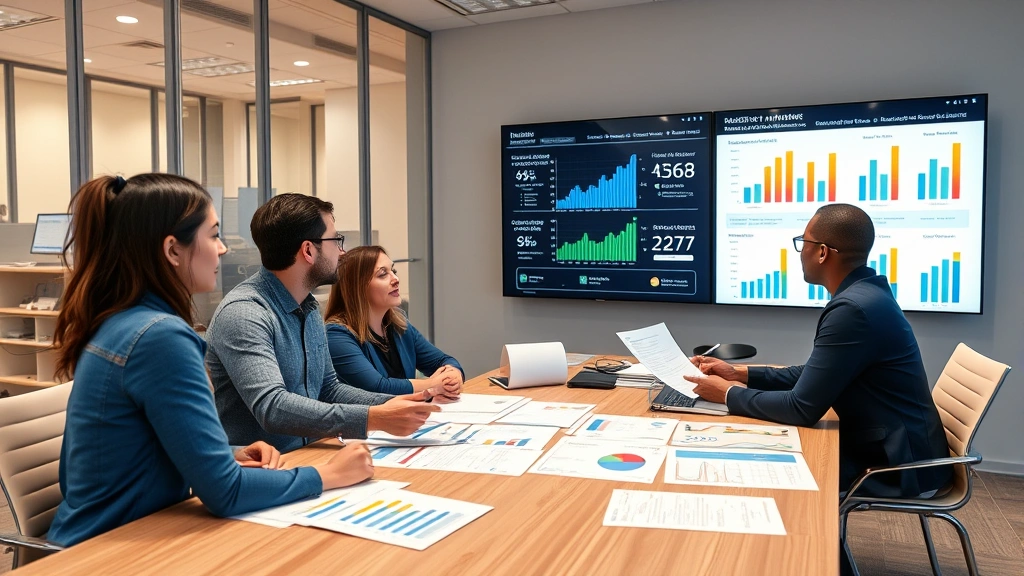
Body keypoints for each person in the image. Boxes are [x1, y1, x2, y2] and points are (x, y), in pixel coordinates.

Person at [48, 174, 374, 547]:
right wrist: (329, 475)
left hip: (132, 533)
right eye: (213, 234)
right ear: (173, 250)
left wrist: (230, 452)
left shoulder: (123, 321)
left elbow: (152, 445)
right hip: (109, 550)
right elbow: (225, 493)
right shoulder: (161, 338)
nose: (222, 249)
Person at [686, 203, 951, 499]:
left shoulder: (852, 310)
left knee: (751, 462)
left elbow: (801, 409)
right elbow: (814, 374)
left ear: (823, 252)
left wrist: (725, 393)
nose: (800, 252)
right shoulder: (866, 293)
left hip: (895, 467)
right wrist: (739, 373)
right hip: (896, 450)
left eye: (803, 243)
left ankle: (809, 544)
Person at [206, 194, 439, 453]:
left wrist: (390, 404)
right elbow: (272, 407)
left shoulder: (308, 307)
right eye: (335, 240)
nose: (342, 252)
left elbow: (328, 388)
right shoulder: (245, 313)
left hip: (312, 452)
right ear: (308, 250)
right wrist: (374, 418)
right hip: (267, 465)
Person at [324, 246, 464, 397]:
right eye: (383, 274)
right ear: (357, 287)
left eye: (393, 271)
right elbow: (378, 387)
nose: (396, 279)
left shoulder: (398, 325)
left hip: (407, 416)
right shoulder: (336, 335)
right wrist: (433, 385)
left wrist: (453, 374)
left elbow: (443, 360)